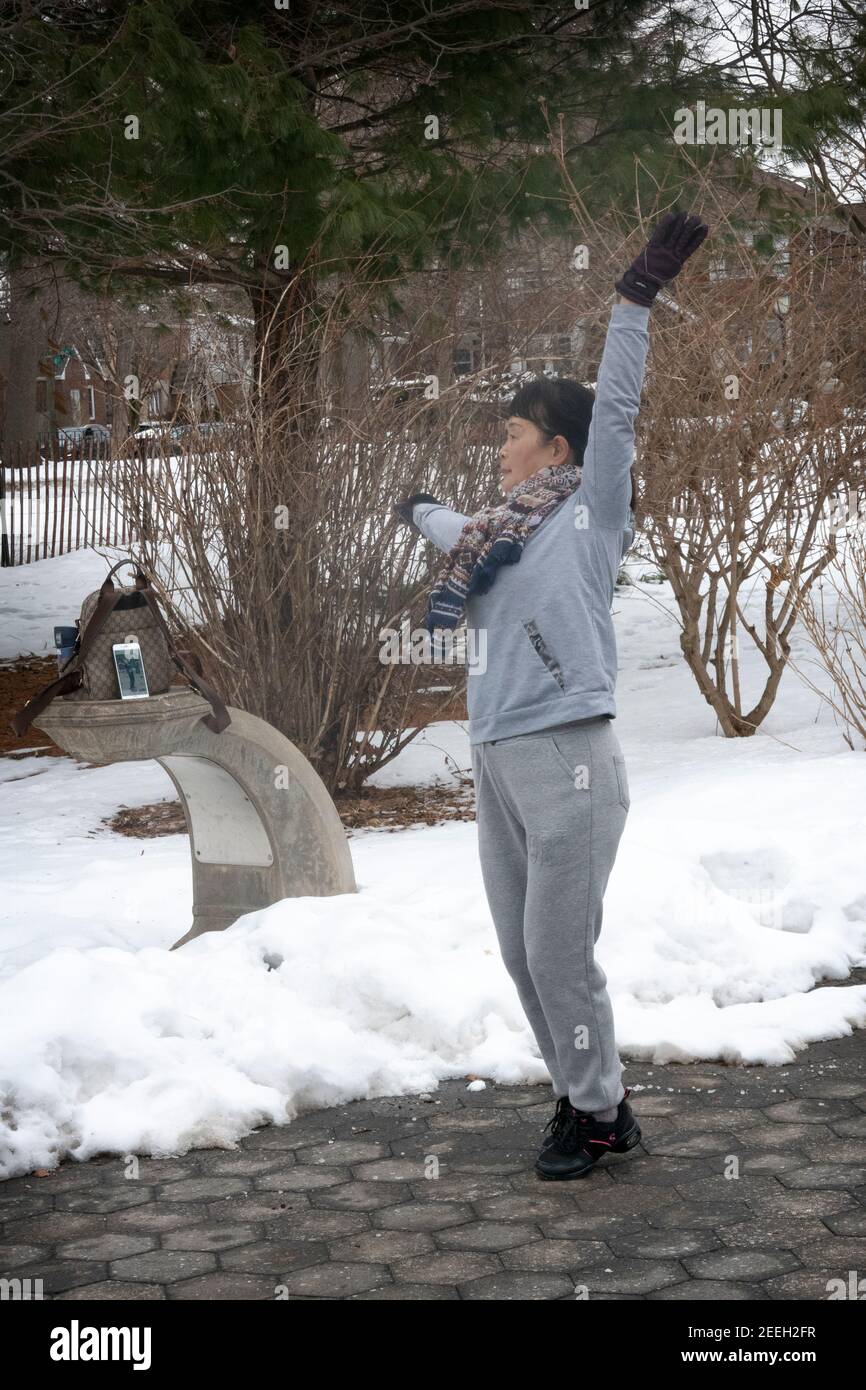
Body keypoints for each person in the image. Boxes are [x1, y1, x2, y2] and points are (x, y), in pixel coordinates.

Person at [394, 211, 709, 1180]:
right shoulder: (492, 537)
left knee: (559, 952)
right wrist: (412, 509)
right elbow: (459, 521)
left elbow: (615, 410)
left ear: (558, 449)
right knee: (523, 956)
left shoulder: (589, 511)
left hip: (569, 754)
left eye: (514, 435)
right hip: (497, 758)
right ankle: (585, 1099)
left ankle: (600, 1112)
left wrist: (631, 301)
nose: (499, 451)